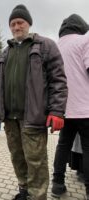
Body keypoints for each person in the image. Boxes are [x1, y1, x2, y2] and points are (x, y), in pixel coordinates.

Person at [0, 4, 67, 200]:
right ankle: (24, 190)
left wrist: (57, 111)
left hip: (33, 117)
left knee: (36, 161)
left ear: (28, 23)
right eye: (12, 24)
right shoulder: (5, 53)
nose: (16, 27)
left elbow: (58, 80)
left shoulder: (45, 46)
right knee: (17, 158)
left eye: (19, 22)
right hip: (10, 119)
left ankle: (37, 196)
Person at [51, 14, 89, 199]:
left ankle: (57, 184)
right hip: (86, 108)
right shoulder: (85, 40)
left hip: (63, 108)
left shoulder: (56, 46)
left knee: (63, 145)